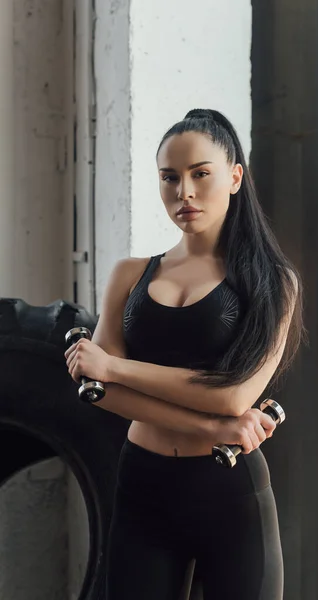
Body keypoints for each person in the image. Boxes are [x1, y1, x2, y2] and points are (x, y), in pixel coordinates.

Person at [64, 108, 303, 600]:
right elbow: (100, 393)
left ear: (235, 177)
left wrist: (113, 365)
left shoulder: (273, 282)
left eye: (201, 174)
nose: (184, 192)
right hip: (143, 485)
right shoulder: (129, 274)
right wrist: (213, 430)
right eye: (170, 178)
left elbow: (234, 398)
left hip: (230, 496)